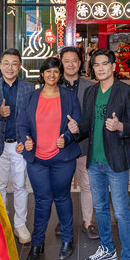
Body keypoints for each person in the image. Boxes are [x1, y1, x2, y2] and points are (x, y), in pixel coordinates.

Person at [68, 48, 130, 260]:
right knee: (99, 208)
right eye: (96, 65)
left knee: (120, 212)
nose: (100, 68)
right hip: (94, 161)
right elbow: (88, 125)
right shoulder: (90, 92)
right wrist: (77, 129)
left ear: (113, 66)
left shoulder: (126, 90)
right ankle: (108, 249)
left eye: (104, 64)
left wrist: (120, 125)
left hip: (116, 161)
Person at [18, 57, 82, 260]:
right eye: (48, 72)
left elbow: (77, 122)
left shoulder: (69, 96)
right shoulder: (32, 96)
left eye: (56, 71)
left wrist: (68, 137)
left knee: (62, 198)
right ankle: (37, 245)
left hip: (62, 159)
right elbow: (22, 124)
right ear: (42, 74)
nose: (52, 75)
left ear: (60, 74)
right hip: (37, 159)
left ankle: (67, 240)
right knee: (42, 200)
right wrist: (25, 140)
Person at [56, 46, 99, 240]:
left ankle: (88, 222)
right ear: (61, 62)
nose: (71, 64)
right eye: (67, 61)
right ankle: (63, 221)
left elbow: (94, 116)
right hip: (61, 145)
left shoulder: (91, 86)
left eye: (74, 60)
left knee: (87, 184)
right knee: (62, 186)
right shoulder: (54, 85)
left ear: (80, 63)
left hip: (84, 144)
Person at [0, 48, 35, 244]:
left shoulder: (28, 88)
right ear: (0, 65)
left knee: (20, 186)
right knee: (0, 186)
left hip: (19, 144)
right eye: (6, 63)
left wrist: (28, 139)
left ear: (20, 67)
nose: (10, 67)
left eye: (14, 64)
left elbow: (33, 117)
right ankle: (2, 224)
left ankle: (20, 224)